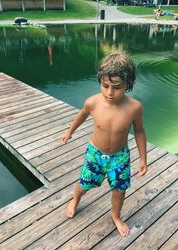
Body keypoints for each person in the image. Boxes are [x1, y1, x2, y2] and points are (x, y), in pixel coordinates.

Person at [62, 53, 148, 237]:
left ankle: (115, 215)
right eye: (105, 86)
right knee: (85, 183)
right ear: (100, 82)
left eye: (116, 87)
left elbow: (139, 131)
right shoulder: (93, 102)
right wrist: (70, 131)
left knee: (120, 189)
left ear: (128, 84)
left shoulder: (135, 107)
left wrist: (143, 158)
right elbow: (82, 115)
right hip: (96, 154)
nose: (110, 92)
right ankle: (75, 199)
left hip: (120, 156)